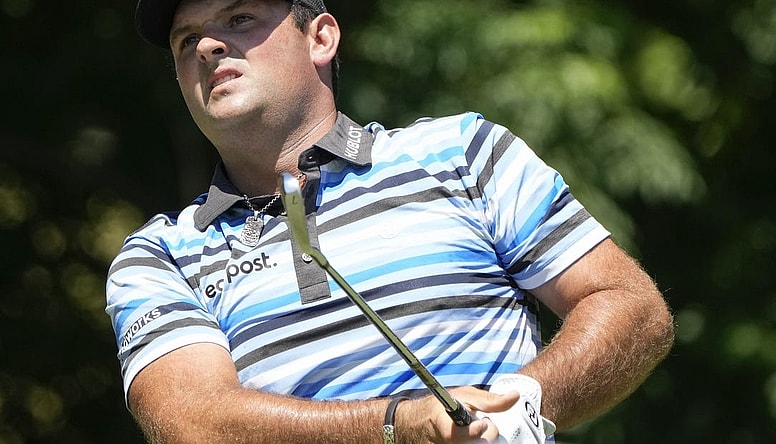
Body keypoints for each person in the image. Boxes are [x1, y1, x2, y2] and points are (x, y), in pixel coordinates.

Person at [106, 0, 675, 442]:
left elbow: (631, 305)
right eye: (186, 41)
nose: (207, 45)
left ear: (321, 37)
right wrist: (396, 427)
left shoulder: (462, 152)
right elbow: (194, 423)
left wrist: (521, 405)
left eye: (241, 17)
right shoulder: (161, 255)